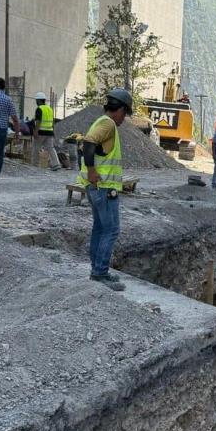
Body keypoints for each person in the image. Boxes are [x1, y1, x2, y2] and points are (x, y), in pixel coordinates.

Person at [76, 88, 132, 292]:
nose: (124, 118)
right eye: (125, 113)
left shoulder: (101, 122)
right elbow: (88, 143)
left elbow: (91, 145)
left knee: (100, 229)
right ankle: (100, 272)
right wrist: (91, 171)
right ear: (119, 110)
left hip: (98, 188)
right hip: (105, 189)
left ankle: (97, 269)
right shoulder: (107, 124)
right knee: (111, 230)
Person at [33, 92, 61, 171]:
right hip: (49, 132)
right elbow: (52, 121)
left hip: (41, 132)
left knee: (36, 148)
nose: (36, 102)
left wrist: (35, 131)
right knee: (51, 148)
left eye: (36, 100)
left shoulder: (39, 109)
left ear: (38, 100)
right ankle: (56, 164)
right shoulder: (49, 109)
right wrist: (53, 131)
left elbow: (38, 121)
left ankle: (35, 165)